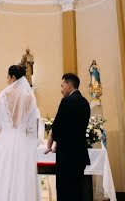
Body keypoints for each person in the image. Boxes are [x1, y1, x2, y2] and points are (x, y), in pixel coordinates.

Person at [0, 65, 41, 201]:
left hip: (5, 141)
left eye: (8, 77)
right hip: (22, 143)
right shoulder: (30, 97)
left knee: (1, 175)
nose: (7, 80)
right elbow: (31, 127)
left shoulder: (4, 95)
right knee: (21, 176)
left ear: (13, 77)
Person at [46, 72, 91, 201]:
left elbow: (58, 127)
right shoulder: (85, 102)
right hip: (80, 153)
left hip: (66, 155)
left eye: (62, 85)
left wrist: (53, 143)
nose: (61, 89)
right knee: (77, 190)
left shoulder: (66, 101)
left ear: (69, 85)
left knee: (65, 190)